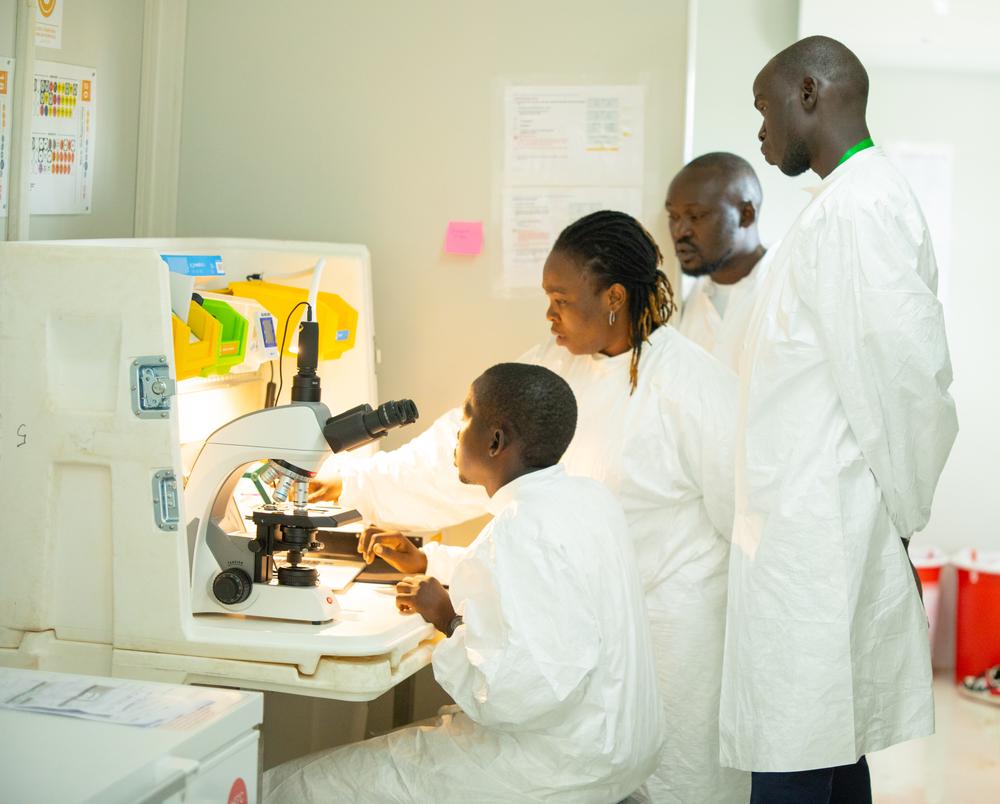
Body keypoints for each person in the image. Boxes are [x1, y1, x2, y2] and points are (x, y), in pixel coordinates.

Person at [311, 211, 749, 803]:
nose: (550, 315)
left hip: (672, 640)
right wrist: (357, 483)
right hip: (571, 652)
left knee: (673, 788)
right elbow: (461, 446)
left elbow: (748, 527)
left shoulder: (695, 388)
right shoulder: (555, 361)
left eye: (562, 300)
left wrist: (445, 613)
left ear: (614, 298)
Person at [720, 35, 959, 804]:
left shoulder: (861, 208)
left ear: (811, 94)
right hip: (806, 537)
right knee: (826, 747)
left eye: (765, 107)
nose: (759, 131)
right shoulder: (841, 208)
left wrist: (900, 512)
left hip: (821, 540)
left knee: (797, 756)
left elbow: (905, 382)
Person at [264, 363, 663, 803]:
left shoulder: (521, 525)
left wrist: (445, 619)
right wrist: (424, 561)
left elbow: (510, 695)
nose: (456, 433)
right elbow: (538, 582)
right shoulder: (586, 499)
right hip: (616, 748)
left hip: (552, 766)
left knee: (291, 788)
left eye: (465, 417)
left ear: (495, 442)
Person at [667, 152, 773, 369]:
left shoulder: (791, 289)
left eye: (695, 216)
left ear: (746, 215)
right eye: (673, 216)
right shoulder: (679, 301)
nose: (680, 231)